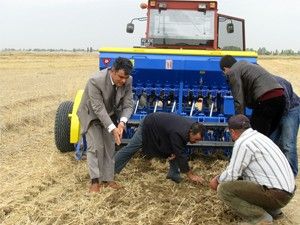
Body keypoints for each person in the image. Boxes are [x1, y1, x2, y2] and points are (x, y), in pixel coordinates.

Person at [210, 114, 295, 225]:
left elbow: (232, 174)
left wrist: (217, 180)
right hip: (287, 192)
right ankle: (273, 211)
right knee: (243, 180)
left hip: (276, 195)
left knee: (224, 189)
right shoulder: (260, 137)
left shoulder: (243, 143)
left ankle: (260, 218)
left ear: (232, 131)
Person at [77, 57, 134, 193]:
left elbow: (128, 104)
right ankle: (95, 181)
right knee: (96, 146)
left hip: (111, 114)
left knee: (109, 146)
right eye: (121, 77)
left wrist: (122, 123)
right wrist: (113, 128)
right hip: (91, 114)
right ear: (112, 71)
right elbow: (98, 108)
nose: (124, 80)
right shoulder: (95, 81)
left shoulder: (128, 81)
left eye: (126, 77)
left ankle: (108, 180)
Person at [115, 112, 205, 184]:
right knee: (131, 148)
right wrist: (191, 175)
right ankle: (110, 170)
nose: (196, 142)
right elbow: (180, 153)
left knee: (174, 151)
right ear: (191, 132)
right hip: (149, 125)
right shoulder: (179, 132)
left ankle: (174, 175)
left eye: (199, 140)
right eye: (196, 139)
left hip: (162, 129)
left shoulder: (191, 128)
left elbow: (178, 149)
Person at [220, 55, 285, 136]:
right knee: (266, 137)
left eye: (224, 72)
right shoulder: (247, 65)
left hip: (266, 100)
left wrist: (239, 124)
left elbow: (239, 100)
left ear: (225, 68)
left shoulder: (233, 71)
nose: (225, 74)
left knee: (253, 135)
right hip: (281, 98)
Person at [270, 75, 300, 176]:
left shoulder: (276, 83)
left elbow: (286, 103)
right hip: (276, 111)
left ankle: (291, 174)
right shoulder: (258, 84)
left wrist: (275, 120)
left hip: (291, 109)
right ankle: (276, 171)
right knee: (272, 142)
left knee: (288, 144)